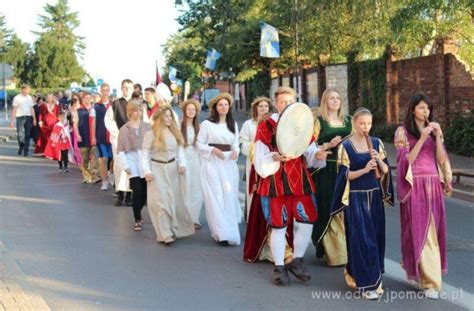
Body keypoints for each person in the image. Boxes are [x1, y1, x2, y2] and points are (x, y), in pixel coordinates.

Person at [253, 86, 327, 286]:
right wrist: (274, 156)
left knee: (307, 220)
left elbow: (309, 153)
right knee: (279, 225)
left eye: (289, 101)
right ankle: (279, 267)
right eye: (282, 102)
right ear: (276, 104)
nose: (286, 105)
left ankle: (297, 260)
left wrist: (317, 155)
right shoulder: (266, 126)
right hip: (276, 181)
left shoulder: (302, 125)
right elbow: (259, 159)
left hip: (300, 180)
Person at [331, 107, 393, 300]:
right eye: (361, 123)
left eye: (368, 123)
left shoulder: (376, 143)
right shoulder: (346, 146)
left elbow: (384, 170)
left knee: (375, 239)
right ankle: (366, 285)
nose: (365, 127)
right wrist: (365, 169)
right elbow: (345, 176)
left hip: (374, 197)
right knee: (362, 241)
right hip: (356, 198)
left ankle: (364, 276)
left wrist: (378, 161)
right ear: (354, 123)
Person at [394, 92, 451, 300]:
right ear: (412, 110)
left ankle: (425, 275)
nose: (425, 111)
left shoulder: (434, 131)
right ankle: (431, 282)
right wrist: (423, 137)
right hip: (414, 184)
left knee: (434, 233)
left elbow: (442, 159)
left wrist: (437, 138)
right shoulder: (403, 132)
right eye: (421, 107)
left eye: (427, 108)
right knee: (420, 232)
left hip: (433, 184)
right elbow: (405, 161)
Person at [311, 89, 352, 266]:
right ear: (325, 101)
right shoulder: (319, 122)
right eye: (331, 98)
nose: (335, 101)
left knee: (347, 208)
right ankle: (336, 253)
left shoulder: (349, 121)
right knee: (329, 207)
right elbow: (311, 146)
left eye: (337, 98)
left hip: (347, 168)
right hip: (327, 168)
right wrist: (329, 144)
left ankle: (349, 249)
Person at [142, 105, 195, 244]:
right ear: (159, 118)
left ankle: (172, 229)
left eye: (170, 116)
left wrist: (182, 165)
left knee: (173, 201)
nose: (169, 118)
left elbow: (180, 151)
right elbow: (144, 155)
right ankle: (164, 234)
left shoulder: (175, 133)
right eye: (166, 116)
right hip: (157, 169)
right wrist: (147, 171)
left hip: (172, 170)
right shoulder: (150, 134)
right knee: (161, 202)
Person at [197, 93, 241, 246]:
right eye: (220, 105)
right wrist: (213, 150)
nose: (223, 107)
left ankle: (229, 230)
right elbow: (199, 144)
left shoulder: (233, 124)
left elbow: (236, 142)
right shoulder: (207, 125)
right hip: (212, 163)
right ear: (215, 107)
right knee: (216, 196)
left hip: (228, 163)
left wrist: (236, 151)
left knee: (229, 197)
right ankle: (220, 232)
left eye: (226, 105)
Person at [117, 101, 151, 231]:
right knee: (136, 190)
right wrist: (125, 166)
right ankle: (137, 218)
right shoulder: (124, 129)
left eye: (140, 110)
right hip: (132, 161)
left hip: (145, 161)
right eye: (136, 110)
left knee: (145, 192)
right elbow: (120, 149)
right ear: (130, 112)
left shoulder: (147, 127)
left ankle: (139, 210)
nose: (138, 113)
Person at [239, 96, 271, 220]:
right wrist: (255, 147)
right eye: (261, 106)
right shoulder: (248, 124)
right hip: (253, 162)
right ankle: (253, 219)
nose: (263, 108)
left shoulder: (272, 123)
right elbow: (242, 141)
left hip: (269, 163)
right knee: (253, 190)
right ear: (256, 108)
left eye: (266, 106)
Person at [105, 79, 134, 206]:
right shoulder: (115, 104)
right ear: (121, 88)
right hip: (118, 139)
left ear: (133, 89)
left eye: (129, 87)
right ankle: (120, 193)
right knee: (119, 166)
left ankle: (129, 195)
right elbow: (109, 120)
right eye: (125, 87)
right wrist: (118, 133)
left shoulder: (137, 104)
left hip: (133, 140)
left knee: (131, 166)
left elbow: (144, 122)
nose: (127, 90)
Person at [180, 99, 204, 229]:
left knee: (196, 189)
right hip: (184, 157)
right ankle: (185, 218)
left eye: (193, 110)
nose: (191, 111)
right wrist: (181, 163)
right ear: (184, 111)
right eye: (189, 109)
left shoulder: (199, 127)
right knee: (185, 188)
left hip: (196, 158)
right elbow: (178, 146)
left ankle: (194, 218)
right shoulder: (179, 126)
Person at [74, 92, 99, 184]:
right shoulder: (79, 111)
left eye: (89, 98)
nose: (88, 100)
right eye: (86, 98)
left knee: (94, 157)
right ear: (83, 99)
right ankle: (86, 176)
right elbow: (75, 124)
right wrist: (77, 135)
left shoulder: (94, 110)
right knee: (84, 158)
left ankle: (94, 176)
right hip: (83, 137)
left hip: (93, 137)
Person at [95, 83, 114, 191]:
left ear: (109, 91)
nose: (105, 92)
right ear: (101, 91)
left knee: (113, 159)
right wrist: (94, 136)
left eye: (107, 90)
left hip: (112, 136)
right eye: (103, 90)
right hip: (101, 135)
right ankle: (104, 181)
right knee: (103, 159)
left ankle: (111, 173)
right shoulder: (96, 106)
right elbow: (93, 123)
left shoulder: (113, 105)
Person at [10, 84, 37, 156]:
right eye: (27, 90)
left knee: (27, 134)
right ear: (23, 89)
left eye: (29, 90)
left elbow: (32, 108)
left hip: (28, 117)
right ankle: (21, 145)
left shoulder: (29, 98)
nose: (28, 91)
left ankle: (26, 151)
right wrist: (12, 121)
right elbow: (14, 109)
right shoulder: (17, 98)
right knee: (20, 134)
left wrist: (34, 118)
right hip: (20, 117)